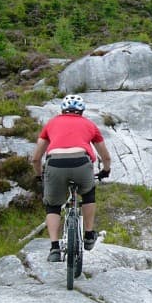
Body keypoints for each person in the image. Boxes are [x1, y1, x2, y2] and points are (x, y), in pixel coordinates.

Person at [31, 94, 111, 262]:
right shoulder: (89, 124)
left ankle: (54, 248)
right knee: (88, 193)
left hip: (55, 165)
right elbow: (105, 155)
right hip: (81, 163)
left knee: (52, 205)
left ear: (62, 110)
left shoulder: (51, 123)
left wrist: (39, 176)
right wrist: (105, 170)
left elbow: (36, 157)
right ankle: (89, 235)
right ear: (81, 111)